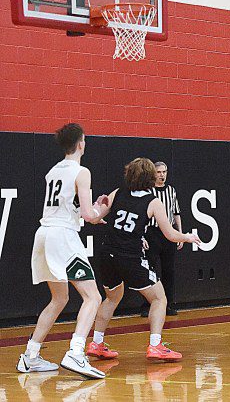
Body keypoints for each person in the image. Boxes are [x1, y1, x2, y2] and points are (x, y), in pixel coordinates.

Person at [86, 158, 201, 362]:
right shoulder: (153, 202)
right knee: (159, 299)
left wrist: (96, 207)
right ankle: (156, 345)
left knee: (112, 298)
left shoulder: (117, 193)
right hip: (130, 256)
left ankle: (96, 343)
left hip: (108, 254)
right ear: (150, 178)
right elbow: (171, 235)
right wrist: (188, 237)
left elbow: (94, 218)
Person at [17, 123, 107, 379]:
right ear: (80, 144)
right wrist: (100, 211)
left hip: (44, 234)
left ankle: (30, 356)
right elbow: (90, 215)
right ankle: (76, 353)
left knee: (59, 299)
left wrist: (86, 212)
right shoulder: (82, 171)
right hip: (62, 237)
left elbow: (70, 210)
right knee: (93, 297)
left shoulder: (53, 171)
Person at [141, 161, 182, 317]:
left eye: (164, 172)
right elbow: (142, 215)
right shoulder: (148, 191)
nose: (162, 175)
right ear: (153, 174)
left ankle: (169, 304)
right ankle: (147, 305)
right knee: (150, 270)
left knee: (168, 270)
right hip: (152, 232)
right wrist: (142, 235)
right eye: (159, 172)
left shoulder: (171, 190)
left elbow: (176, 213)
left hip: (168, 232)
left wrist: (180, 233)